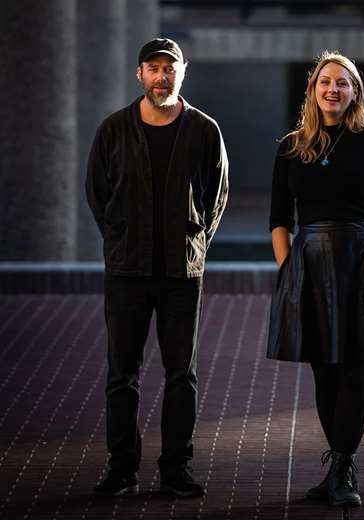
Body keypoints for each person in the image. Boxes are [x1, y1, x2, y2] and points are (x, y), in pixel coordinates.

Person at [86, 38, 229, 497]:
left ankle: (175, 471)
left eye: (170, 68)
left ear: (182, 73)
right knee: (120, 374)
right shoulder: (112, 130)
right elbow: (98, 193)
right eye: (153, 68)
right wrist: (119, 240)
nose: (162, 76)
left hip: (181, 274)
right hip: (127, 271)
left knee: (180, 375)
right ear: (139, 74)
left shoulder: (205, 131)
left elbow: (217, 195)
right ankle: (122, 470)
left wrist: (196, 244)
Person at [267, 51, 364, 508]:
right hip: (309, 263)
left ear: (355, 92)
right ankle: (336, 468)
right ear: (313, 90)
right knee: (323, 372)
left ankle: (344, 466)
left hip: (362, 259)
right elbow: (278, 218)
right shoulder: (290, 146)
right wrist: (289, 268)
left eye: (343, 83)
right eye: (326, 81)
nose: (333, 89)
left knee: (354, 371)